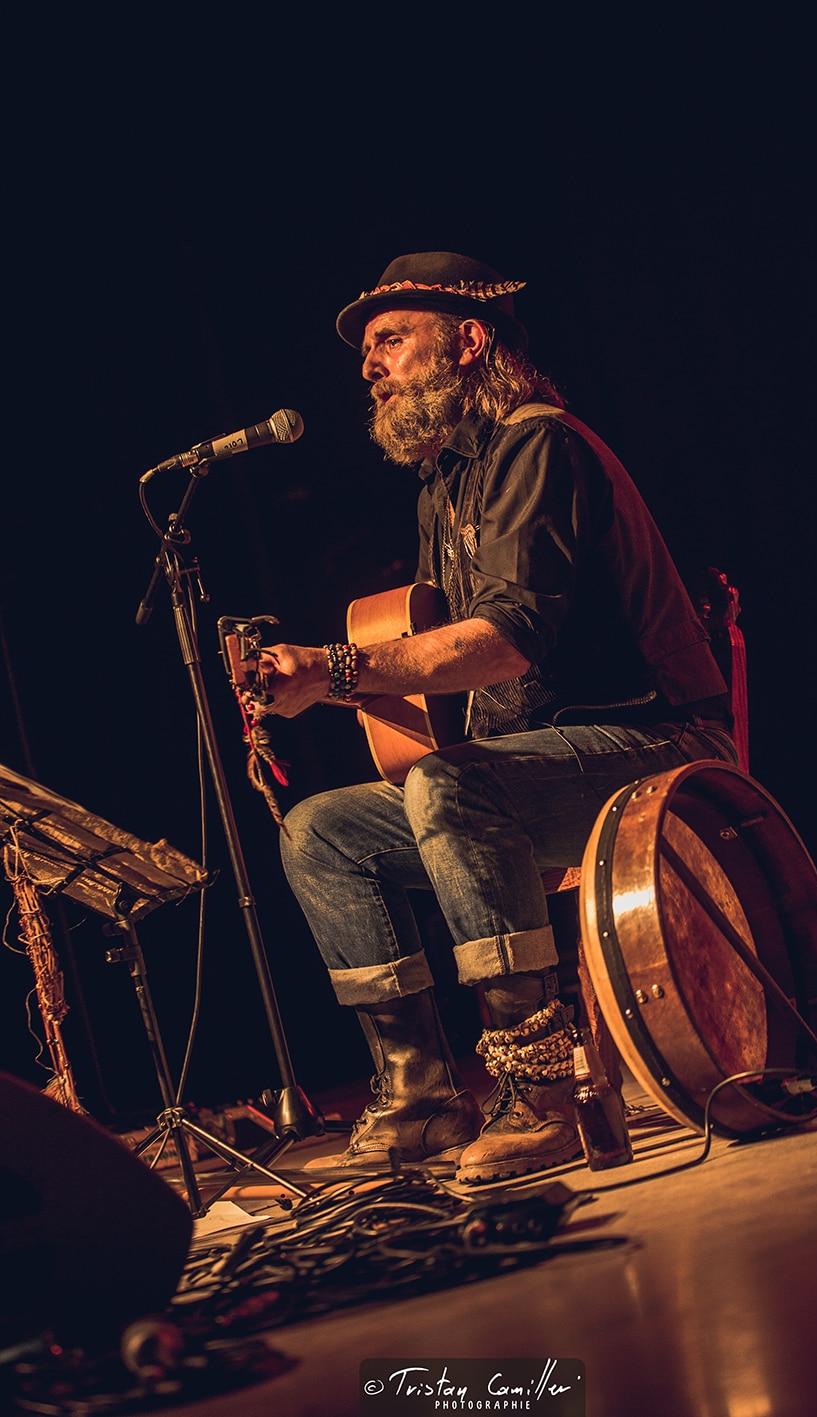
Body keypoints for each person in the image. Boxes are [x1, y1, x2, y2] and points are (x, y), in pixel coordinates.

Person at [260, 252, 736, 1184]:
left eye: (391, 340)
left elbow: (506, 643)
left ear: (468, 341)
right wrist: (322, 682)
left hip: (650, 742)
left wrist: (337, 667)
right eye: (368, 352)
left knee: (450, 784)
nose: (370, 366)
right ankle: (421, 1098)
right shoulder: (444, 484)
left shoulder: (537, 446)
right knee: (320, 831)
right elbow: (439, 665)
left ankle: (542, 1091)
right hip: (529, 765)